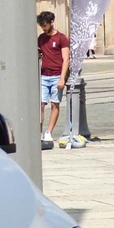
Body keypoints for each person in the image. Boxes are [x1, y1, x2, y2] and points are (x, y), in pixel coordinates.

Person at [36, 11, 69, 149]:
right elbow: (39, 52)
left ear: (52, 22)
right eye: (41, 25)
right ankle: (39, 132)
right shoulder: (41, 38)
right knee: (41, 104)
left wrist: (62, 78)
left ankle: (49, 132)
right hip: (44, 75)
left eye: (45, 25)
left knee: (55, 104)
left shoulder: (61, 38)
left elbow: (66, 59)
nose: (43, 28)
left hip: (56, 75)